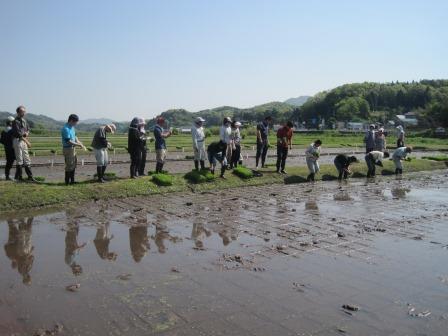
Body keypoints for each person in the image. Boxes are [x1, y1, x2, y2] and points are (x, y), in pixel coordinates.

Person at [11, 106, 36, 182]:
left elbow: (28, 129)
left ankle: (30, 177)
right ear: (18, 112)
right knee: (20, 159)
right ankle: (19, 177)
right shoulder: (15, 122)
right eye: (23, 111)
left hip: (23, 140)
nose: (24, 113)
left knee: (27, 158)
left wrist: (27, 133)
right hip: (18, 141)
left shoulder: (24, 121)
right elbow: (19, 134)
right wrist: (27, 141)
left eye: (24, 111)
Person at [61, 114, 86, 185]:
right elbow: (68, 141)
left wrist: (79, 142)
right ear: (71, 121)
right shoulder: (65, 128)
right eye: (75, 122)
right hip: (68, 149)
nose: (76, 124)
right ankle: (67, 182)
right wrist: (79, 145)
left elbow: (75, 137)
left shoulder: (72, 128)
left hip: (72, 148)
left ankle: (72, 180)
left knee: (74, 164)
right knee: (69, 165)